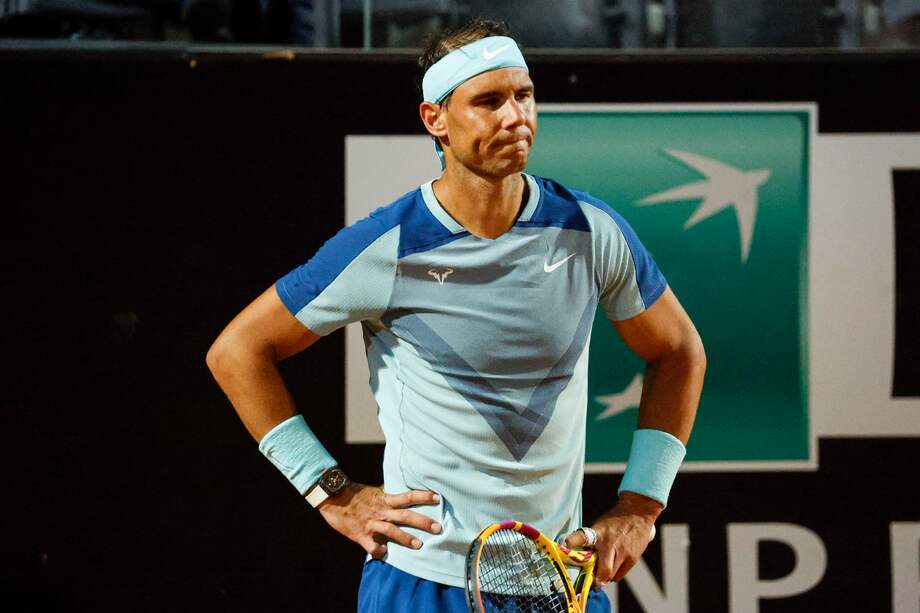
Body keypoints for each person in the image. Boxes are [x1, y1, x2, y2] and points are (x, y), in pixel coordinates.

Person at [206, 17, 705, 612]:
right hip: (420, 581)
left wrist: (641, 506)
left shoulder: (589, 230)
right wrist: (331, 492)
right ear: (434, 120)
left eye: (524, 96)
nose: (515, 117)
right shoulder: (387, 245)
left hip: (558, 577)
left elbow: (679, 351)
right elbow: (236, 352)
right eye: (488, 102)